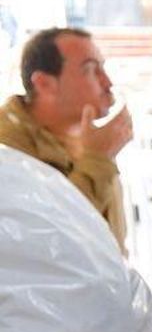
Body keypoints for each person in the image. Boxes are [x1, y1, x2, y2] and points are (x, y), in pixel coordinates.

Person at [0, 27, 132, 252]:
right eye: (91, 70)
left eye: (103, 68)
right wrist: (98, 160)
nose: (108, 82)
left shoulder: (86, 134)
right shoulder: (8, 151)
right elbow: (49, 241)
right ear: (44, 83)